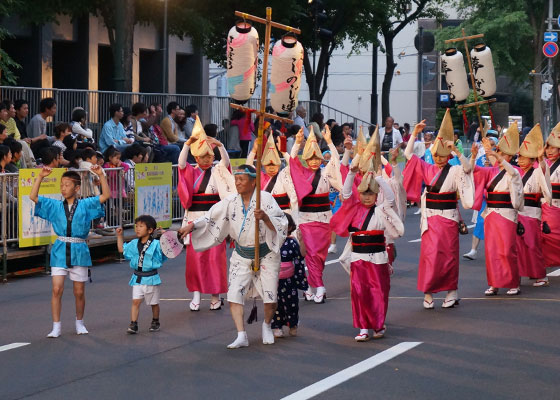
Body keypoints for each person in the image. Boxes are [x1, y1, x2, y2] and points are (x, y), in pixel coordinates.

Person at [179, 164, 288, 349]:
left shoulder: (267, 199)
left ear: (253, 182)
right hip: (242, 254)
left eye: (242, 179)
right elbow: (211, 216)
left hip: (265, 253)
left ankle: (267, 325)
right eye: (236, 179)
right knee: (234, 295)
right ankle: (241, 334)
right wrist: (192, 225)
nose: (237, 183)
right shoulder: (230, 202)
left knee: (271, 297)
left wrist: (266, 218)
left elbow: (282, 223)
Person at [403, 111, 474, 309]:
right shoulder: (427, 168)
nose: (439, 159)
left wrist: (459, 153)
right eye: (436, 155)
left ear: (449, 155)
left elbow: (468, 169)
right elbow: (408, 155)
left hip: (449, 218)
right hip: (430, 218)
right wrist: (414, 134)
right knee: (429, 256)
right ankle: (428, 292)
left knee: (449, 256)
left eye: (443, 155)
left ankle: (452, 291)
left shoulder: (455, 169)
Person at [29, 166, 110, 338]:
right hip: (60, 249)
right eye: (62, 185)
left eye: (67, 185)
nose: (63, 188)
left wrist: (101, 175)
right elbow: (33, 197)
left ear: (77, 188)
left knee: (79, 291)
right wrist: (40, 178)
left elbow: (105, 196)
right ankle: (56, 326)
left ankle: (79, 322)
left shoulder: (86, 205)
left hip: (79, 248)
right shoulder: (55, 205)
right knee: (56, 289)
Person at [332, 151, 404, 341]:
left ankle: (378, 325)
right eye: (363, 194)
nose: (366, 198)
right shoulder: (353, 208)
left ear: (376, 195)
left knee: (379, 292)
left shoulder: (382, 210)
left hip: (378, 259)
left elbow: (389, 199)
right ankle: (364, 327)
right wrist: (351, 173)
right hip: (358, 258)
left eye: (371, 194)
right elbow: (346, 193)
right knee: (359, 293)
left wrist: (378, 178)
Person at [177, 116, 235, 312]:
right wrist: (186, 145)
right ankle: (196, 294)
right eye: (203, 157)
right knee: (195, 259)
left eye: (209, 156)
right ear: (196, 158)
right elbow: (181, 164)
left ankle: (215, 295)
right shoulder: (191, 172)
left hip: (214, 219)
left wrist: (220, 146)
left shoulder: (218, 170)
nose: (207, 159)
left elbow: (226, 162)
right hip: (194, 219)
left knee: (214, 258)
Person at [290, 125, 343, 303]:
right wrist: (297, 144)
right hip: (306, 219)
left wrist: (329, 141)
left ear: (321, 159)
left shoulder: (326, 173)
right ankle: (319, 286)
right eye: (310, 158)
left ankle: (313, 285)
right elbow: (291, 161)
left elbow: (336, 160)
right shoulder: (301, 173)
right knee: (311, 253)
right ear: (305, 159)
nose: (314, 161)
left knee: (319, 256)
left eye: (316, 158)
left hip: (325, 219)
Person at [472, 122, 524, 296]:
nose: (500, 157)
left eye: (504, 154)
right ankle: (494, 282)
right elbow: (473, 170)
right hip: (492, 214)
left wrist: (497, 157)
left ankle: (513, 282)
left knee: (507, 250)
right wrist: (472, 157)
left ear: (510, 157)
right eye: (500, 153)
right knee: (492, 250)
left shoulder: (515, 171)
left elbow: (514, 175)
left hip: (507, 214)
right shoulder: (491, 171)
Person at [117, 215, 168, 334]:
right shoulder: (134, 243)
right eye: (136, 226)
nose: (137, 229)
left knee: (154, 303)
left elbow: (169, 249)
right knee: (135, 301)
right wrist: (119, 236)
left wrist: (166, 236)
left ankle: (155, 321)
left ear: (150, 230)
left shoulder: (156, 244)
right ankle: (133, 324)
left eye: (141, 226)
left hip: (151, 278)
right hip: (137, 277)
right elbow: (121, 250)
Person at [515, 125, 552, 287]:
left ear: (531, 160)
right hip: (518, 213)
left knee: (532, 245)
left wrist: (541, 159)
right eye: (519, 158)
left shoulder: (537, 171)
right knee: (519, 246)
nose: (520, 160)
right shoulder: (516, 173)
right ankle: (526, 272)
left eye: (523, 158)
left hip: (532, 213)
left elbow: (544, 174)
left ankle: (541, 275)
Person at [271, 213, 308, 338]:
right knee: (275, 304)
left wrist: (302, 240)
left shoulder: (292, 242)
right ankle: (277, 326)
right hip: (274, 279)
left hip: (289, 279)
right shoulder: (271, 241)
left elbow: (301, 255)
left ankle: (293, 325)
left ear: (290, 227)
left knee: (291, 303)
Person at [246, 132, 298, 213]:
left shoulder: (283, 175)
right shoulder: (260, 177)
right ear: (264, 166)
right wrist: (254, 150)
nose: (271, 168)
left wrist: (284, 152)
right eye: (268, 165)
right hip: (264, 215)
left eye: (274, 165)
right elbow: (248, 167)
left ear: (279, 165)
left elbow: (293, 166)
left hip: (283, 215)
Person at [542, 122, 560, 271]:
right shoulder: (543, 164)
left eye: (552, 147)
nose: (549, 151)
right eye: (547, 147)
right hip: (543, 205)